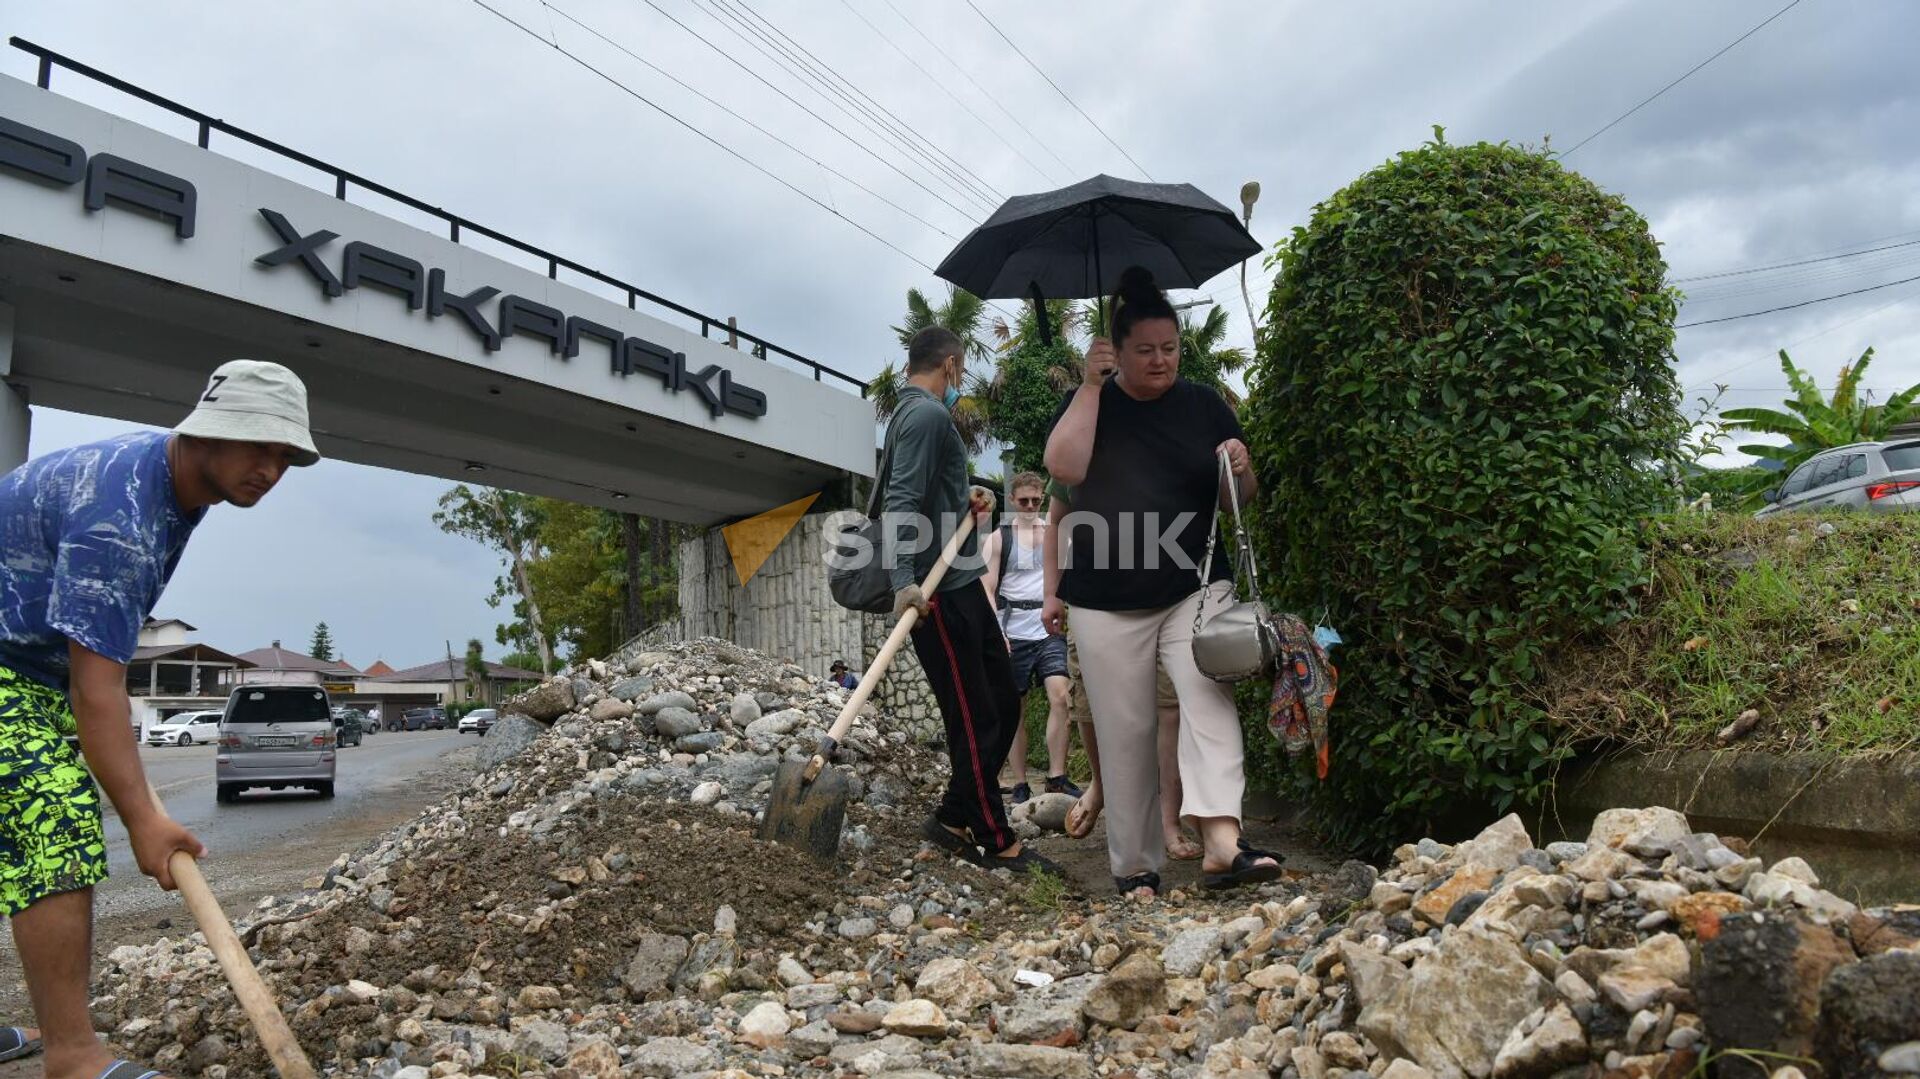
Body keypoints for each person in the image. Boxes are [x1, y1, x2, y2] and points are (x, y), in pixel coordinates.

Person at [0, 359, 319, 1079]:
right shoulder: (121, 512)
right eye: (256, 445)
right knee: (51, 804)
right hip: (9, 665)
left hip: (24, 663)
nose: (270, 469)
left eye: (284, 456)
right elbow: (98, 690)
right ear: (208, 430)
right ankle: (74, 1058)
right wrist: (145, 816)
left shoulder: (174, 487)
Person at [1043, 267, 1282, 897]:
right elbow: (1062, 469)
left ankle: (1223, 841)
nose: (1161, 360)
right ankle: (1134, 866)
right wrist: (1089, 390)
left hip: (1194, 588)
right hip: (1104, 598)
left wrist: (1241, 467)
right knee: (1125, 731)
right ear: (1115, 352)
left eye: (1170, 348)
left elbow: (1239, 503)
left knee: (1209, 700)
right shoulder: (1089, 403)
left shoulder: (1204, 403)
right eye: (1145, 350)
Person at [884, 327, 1053, 873]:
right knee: (976, 716)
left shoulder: (919, 415)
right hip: (936, 597)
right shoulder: (925, 415)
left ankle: (954, 816)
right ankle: (996, 837)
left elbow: (930, 494)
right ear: (952, 365)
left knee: (1001, 703)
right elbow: (901, 497)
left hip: (961, 581)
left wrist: (968, 500)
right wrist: (904, 582)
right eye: (961, 371)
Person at [1040, 485, 1201, 861]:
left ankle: (1168, 821)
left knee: (1169, 706)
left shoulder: (1164, 438)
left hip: (1163, 593)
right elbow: (1057, 524)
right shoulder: (1076, 442)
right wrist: (1052, 593)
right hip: (1091, 597)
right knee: (1089, 703)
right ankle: (1102, 784)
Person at [979, 472, 1079, 805]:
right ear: (1012, 501)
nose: (1031, 506)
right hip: (1012, 629)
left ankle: (1057, 776)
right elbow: (987, 588)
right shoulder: (998, 539)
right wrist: (997, 633)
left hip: (1047, 626)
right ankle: (1020, 781)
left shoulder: (1054, 535)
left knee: (1061, 696)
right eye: (1024, 501)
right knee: (1014, 708)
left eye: (1037, 500)